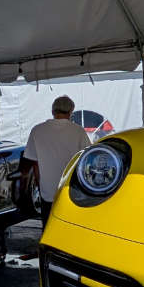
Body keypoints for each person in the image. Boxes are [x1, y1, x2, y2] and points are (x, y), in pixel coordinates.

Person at [23, 96, 90, 226]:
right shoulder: (78, 131)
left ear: (53, 111)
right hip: (71, 189)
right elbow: (86, 159)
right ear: (71, 112)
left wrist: (39, 184)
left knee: (48, 226)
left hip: (47, 190)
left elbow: (34, 163)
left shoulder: (37, 130)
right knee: (69, 227)